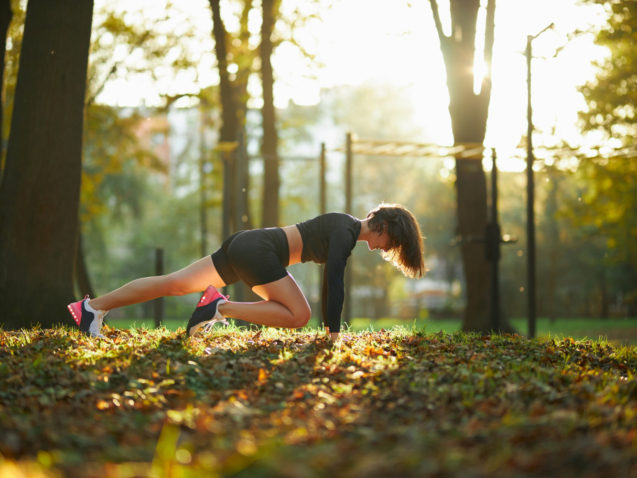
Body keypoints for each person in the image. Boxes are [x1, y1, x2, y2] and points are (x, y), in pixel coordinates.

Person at [67, 203, 426, 340]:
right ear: (384, 226)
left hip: (248, 245)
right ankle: (218, 308)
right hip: (258, 251)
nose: (385, 250)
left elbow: (333, 282)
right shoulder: (346, 232)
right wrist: (334, 336)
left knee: (174, 284)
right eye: (391, 243)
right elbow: (334, 283)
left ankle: (91, 308)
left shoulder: (345, 227)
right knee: (300, 315)